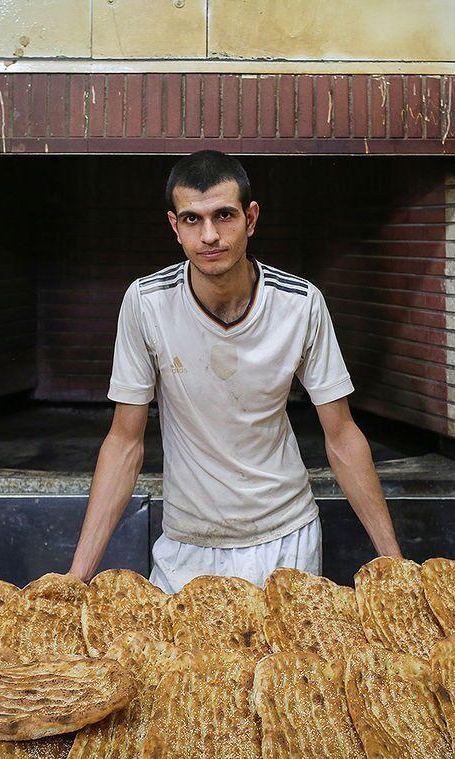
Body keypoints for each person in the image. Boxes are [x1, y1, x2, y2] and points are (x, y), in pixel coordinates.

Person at [68, 150, 402, 592]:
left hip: (286, 541)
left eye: (224, 215)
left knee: (288, 664)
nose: (209, 235)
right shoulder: (147, 303)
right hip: (188, 544)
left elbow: (341, 437)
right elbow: (124, 443)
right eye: (192, 220)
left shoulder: (300, 303)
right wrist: (75, 578)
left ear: (251, 217)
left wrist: (396, 566)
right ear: (174, 226)